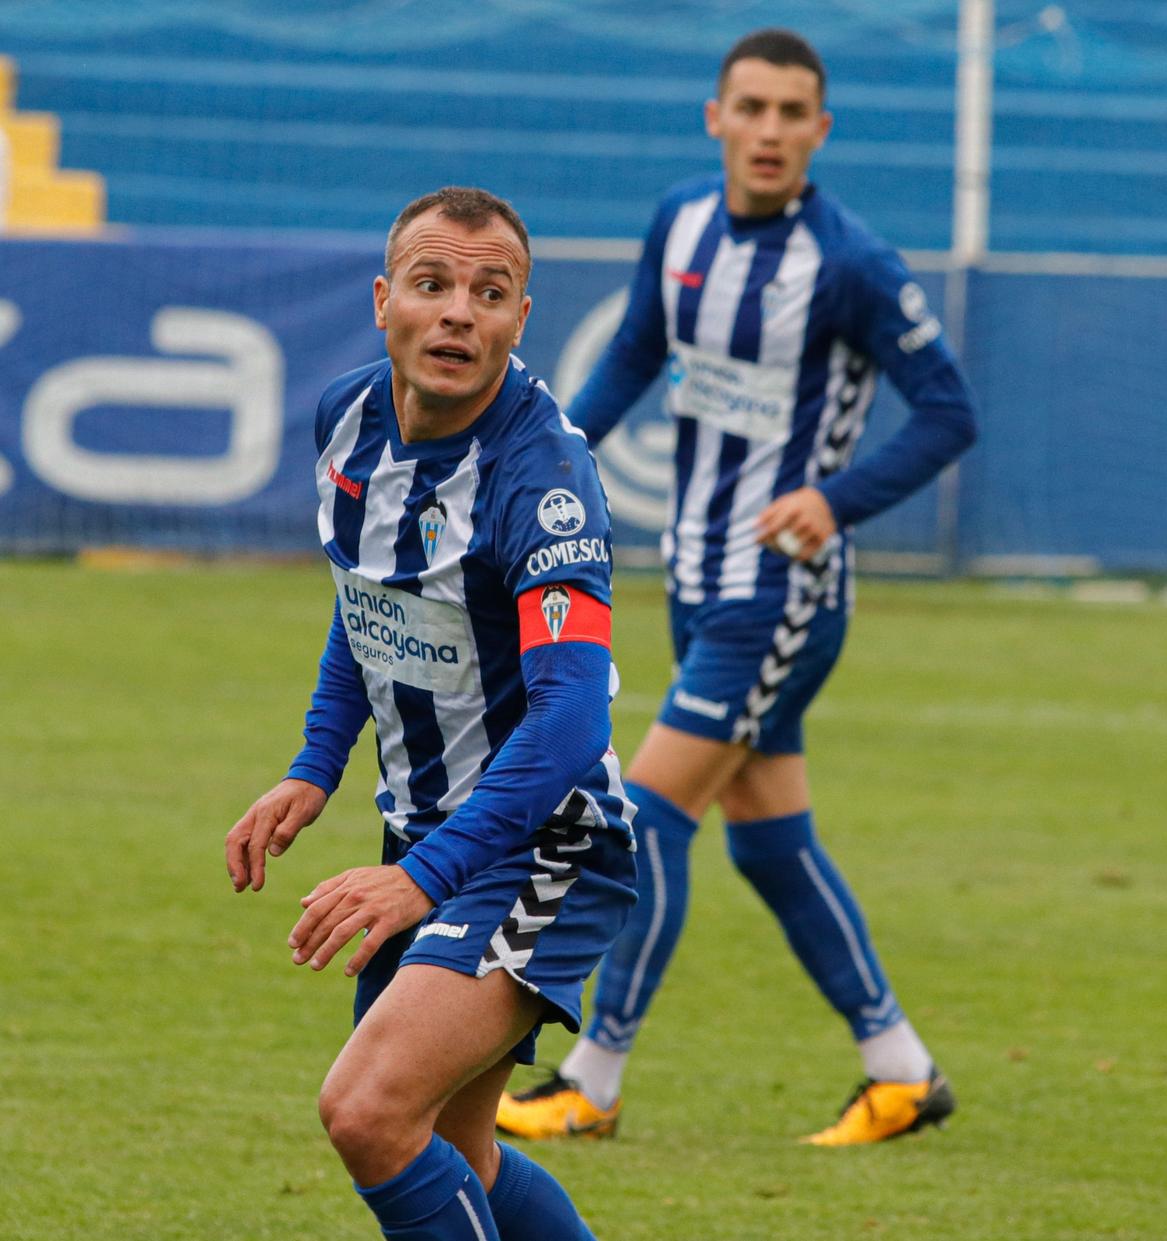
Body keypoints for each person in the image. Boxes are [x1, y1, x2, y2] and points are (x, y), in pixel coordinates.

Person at [496, 28, 977, 1147]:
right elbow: (633, 355)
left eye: (790, 112)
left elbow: (949, 409)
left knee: (648, 812)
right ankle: (899, 1067)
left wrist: (836, 500)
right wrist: (552, 454)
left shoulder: (851, 261)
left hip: (781, 594)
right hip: (696, 574)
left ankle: (592, 1077)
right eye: (749, 108)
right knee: (767, 837)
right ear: (714, 117)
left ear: (819, 129)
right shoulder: (679, 223)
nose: (767, 131)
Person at [223, 186, 632, 1240]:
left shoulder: (542, 481)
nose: (458, 311)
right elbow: (371, 599)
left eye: (489, 292)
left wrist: (421, 876)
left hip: (543, 846)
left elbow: (571, 718)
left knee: (367, 1110)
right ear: (383, 300)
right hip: (428, 836)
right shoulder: (347, 419)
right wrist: (317, 763)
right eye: (433, 283)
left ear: (520, 319)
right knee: (463, 1154)